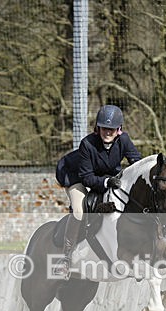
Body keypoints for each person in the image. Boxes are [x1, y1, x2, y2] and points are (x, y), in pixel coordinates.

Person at [54, 104, 142, 277]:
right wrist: (108, 181)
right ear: (97, 128)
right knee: (80, 210)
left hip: (101, 174)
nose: (107, 132)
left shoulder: (124, 140)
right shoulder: (87, 144)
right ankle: (65, 258)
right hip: (74, 175)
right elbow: (87, 178)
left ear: (119, 130)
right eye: (103, 128)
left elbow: (137, 164)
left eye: (111, 129)